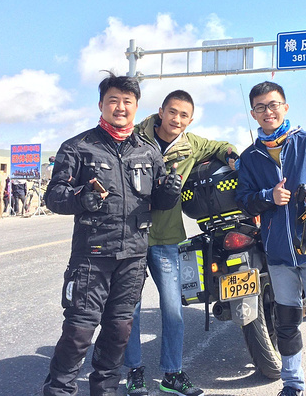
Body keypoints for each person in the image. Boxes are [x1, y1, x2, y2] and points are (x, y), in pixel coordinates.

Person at [42, 74, 182, 396]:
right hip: (92, 256)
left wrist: (170, 192)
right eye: (113, 101)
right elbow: (54, 196)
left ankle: (104, 391)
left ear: (136, 106)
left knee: (119, 331)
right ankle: (59, 390)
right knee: (79, 331)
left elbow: (159, 201)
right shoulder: (78, 147)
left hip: (133, 257)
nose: (120, 107)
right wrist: (81, 198)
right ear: (101, 105)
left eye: (127, 101)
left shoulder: (148, 151)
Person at [124, 90, 238, 396]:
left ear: (190, 119)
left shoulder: (191, 144)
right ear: (161, 111)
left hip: (166, 238)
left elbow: (220, 146)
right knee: (130, 309)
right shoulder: (135, 138)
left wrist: (233, 157)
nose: (177, 119)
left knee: (173, 309)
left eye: (184, 115)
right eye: (172, 112)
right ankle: (134, 372)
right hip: (131, 235)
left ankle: (172, 374)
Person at [235, 81, 306, 396]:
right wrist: (268, 196)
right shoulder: (250, 156)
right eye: (260, 107)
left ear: (285, 107)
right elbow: (244, 200)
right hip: (279, 253)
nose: (267, 112)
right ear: (253, 113)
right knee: (286, 324)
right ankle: (292, 385)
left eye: (273, 105)